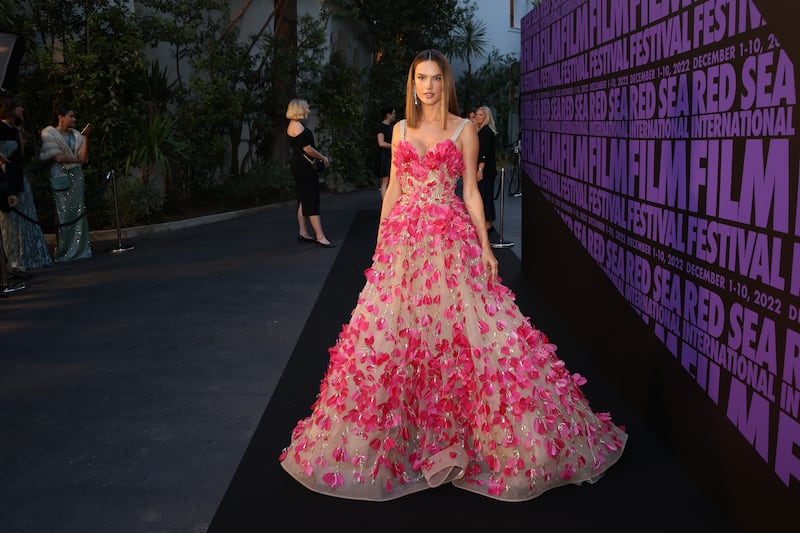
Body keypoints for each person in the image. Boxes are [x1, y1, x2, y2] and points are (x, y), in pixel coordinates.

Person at [279, 49, 627, 502]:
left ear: (446, 83)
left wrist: (486, 247)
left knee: (470, 331)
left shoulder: (466, 130)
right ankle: (403, 434)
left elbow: (471, 192)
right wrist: (382, 243)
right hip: (405, 243)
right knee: (396, 335)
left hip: (451, 242)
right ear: (413, 84)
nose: (428, 86)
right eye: (420, 78)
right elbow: (395, 190)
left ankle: (481, 431)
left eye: (435, 78)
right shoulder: (401, 130)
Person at [0, 96, 53, 274]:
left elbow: (20, 154)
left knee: (25, 215)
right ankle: (13, 258)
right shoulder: (1, 127)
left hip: (17, 172)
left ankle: (28, 254)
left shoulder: (14, 129)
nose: (22, 110)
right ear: (11, 109)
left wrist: (20, 130)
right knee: (12, 220)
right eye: (18, 107)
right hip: (7, 175)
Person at [39, 105, 92, 262]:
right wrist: (78, 160)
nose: (74, 119)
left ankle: (81, 249)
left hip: (76, 176)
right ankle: (64, 249)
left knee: (78, 210)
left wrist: (85, 138)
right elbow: (59, 158)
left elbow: (85, 158)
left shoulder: (76, 135)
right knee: (64, 212)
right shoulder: (49, 133)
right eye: (71, 116)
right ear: (60, 117)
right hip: (60, 175)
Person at [286, 98, 334, 248]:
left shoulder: (293, 125)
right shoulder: (298, 127)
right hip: (304, 167)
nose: (308, 110)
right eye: (306, 107)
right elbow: (307, 149)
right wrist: (323, 157)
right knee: (311, 199)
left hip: (298, 165)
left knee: (303, 199)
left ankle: (303, 232)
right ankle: (320, 237)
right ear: (300, 109)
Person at [475, 105, 497, 232]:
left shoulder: (485, 132)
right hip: (486, 171)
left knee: (485, 197)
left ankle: (488, 223)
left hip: (485, 172)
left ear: (486, 117)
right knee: (484, 196)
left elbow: (484, 153)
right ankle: (486, 222)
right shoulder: (482, 131)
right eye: (477, 114)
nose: (478, 117)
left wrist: (480, 170)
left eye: (481, 115)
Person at [375, 105, 396, 199]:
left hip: (391, 155)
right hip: (385, 156)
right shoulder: (381, 127)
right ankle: (385, 204)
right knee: (385, 182)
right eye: (393, 113)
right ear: (388, 115)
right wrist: (395, 146)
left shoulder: (392, 127)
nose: (395, 115)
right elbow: (381, 143)